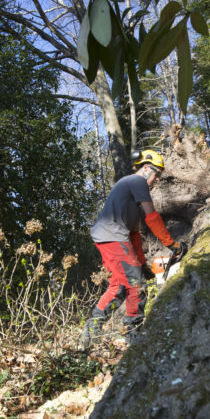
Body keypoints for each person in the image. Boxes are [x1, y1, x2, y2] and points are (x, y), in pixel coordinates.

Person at [79, 149, 183, 349]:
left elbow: (135, 235)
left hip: (111, 237)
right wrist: (171, 244)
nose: (157, 179)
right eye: (156, 174)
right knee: (137, 285)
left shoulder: (131, 197)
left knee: (119, 287)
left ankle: (90, 334)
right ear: (145, 168)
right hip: (112, 237)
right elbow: (152, 217)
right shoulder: (137, 182)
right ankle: (133, 335)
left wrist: (143, 264)